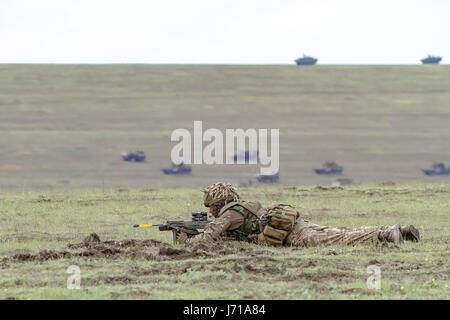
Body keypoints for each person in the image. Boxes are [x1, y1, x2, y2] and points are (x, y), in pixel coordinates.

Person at [176, 182, 420, 246]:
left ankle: (386, 234)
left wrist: (187, 240)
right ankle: (398, 231)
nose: (209, 210)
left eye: (211, 205)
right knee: (340, 233)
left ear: (221, 202)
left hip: (293, 235)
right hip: (295, 226)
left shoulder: (229, 214)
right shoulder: (242, 208)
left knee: (340, 239)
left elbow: (208, 237)